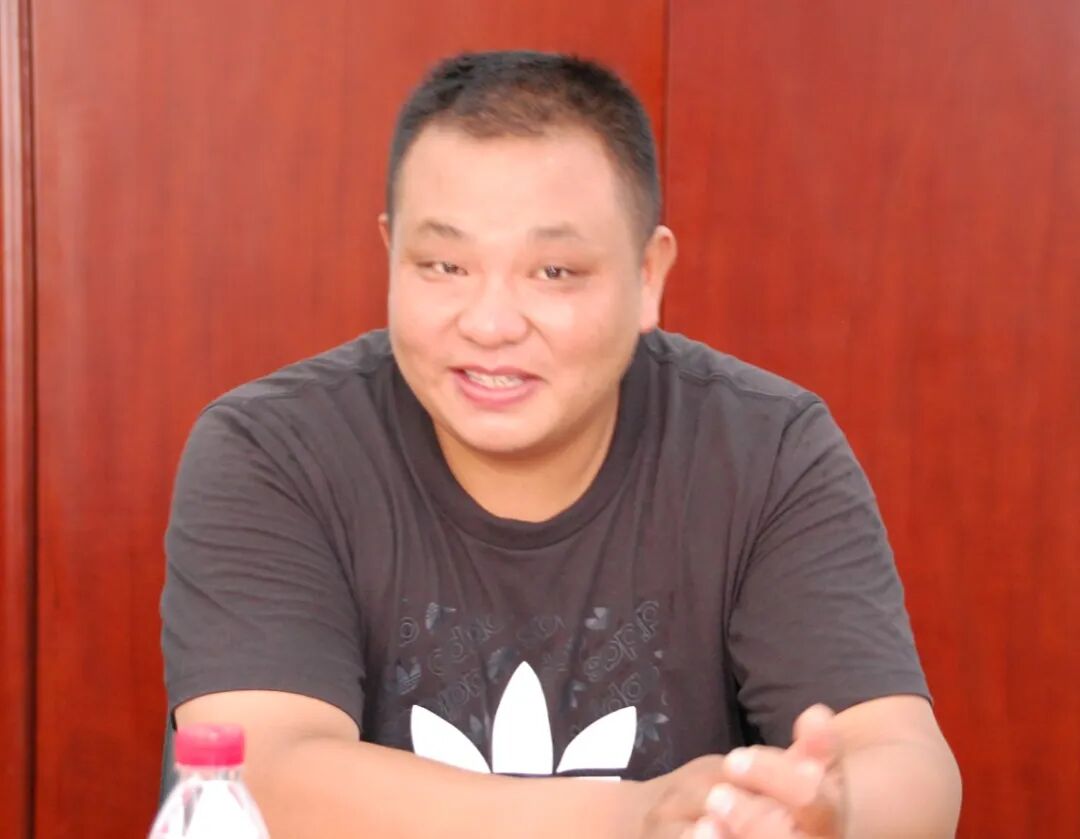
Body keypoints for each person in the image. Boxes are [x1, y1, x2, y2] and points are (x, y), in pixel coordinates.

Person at [161, 50, 961, 838]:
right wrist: (635, 818)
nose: (489, 323)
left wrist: (830, 813)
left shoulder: (763, 450)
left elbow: (901, 757)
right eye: (443, 265)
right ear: (390, 255)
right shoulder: (275, 449)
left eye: (553, 272)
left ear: (648, 275)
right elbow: (260, 776)